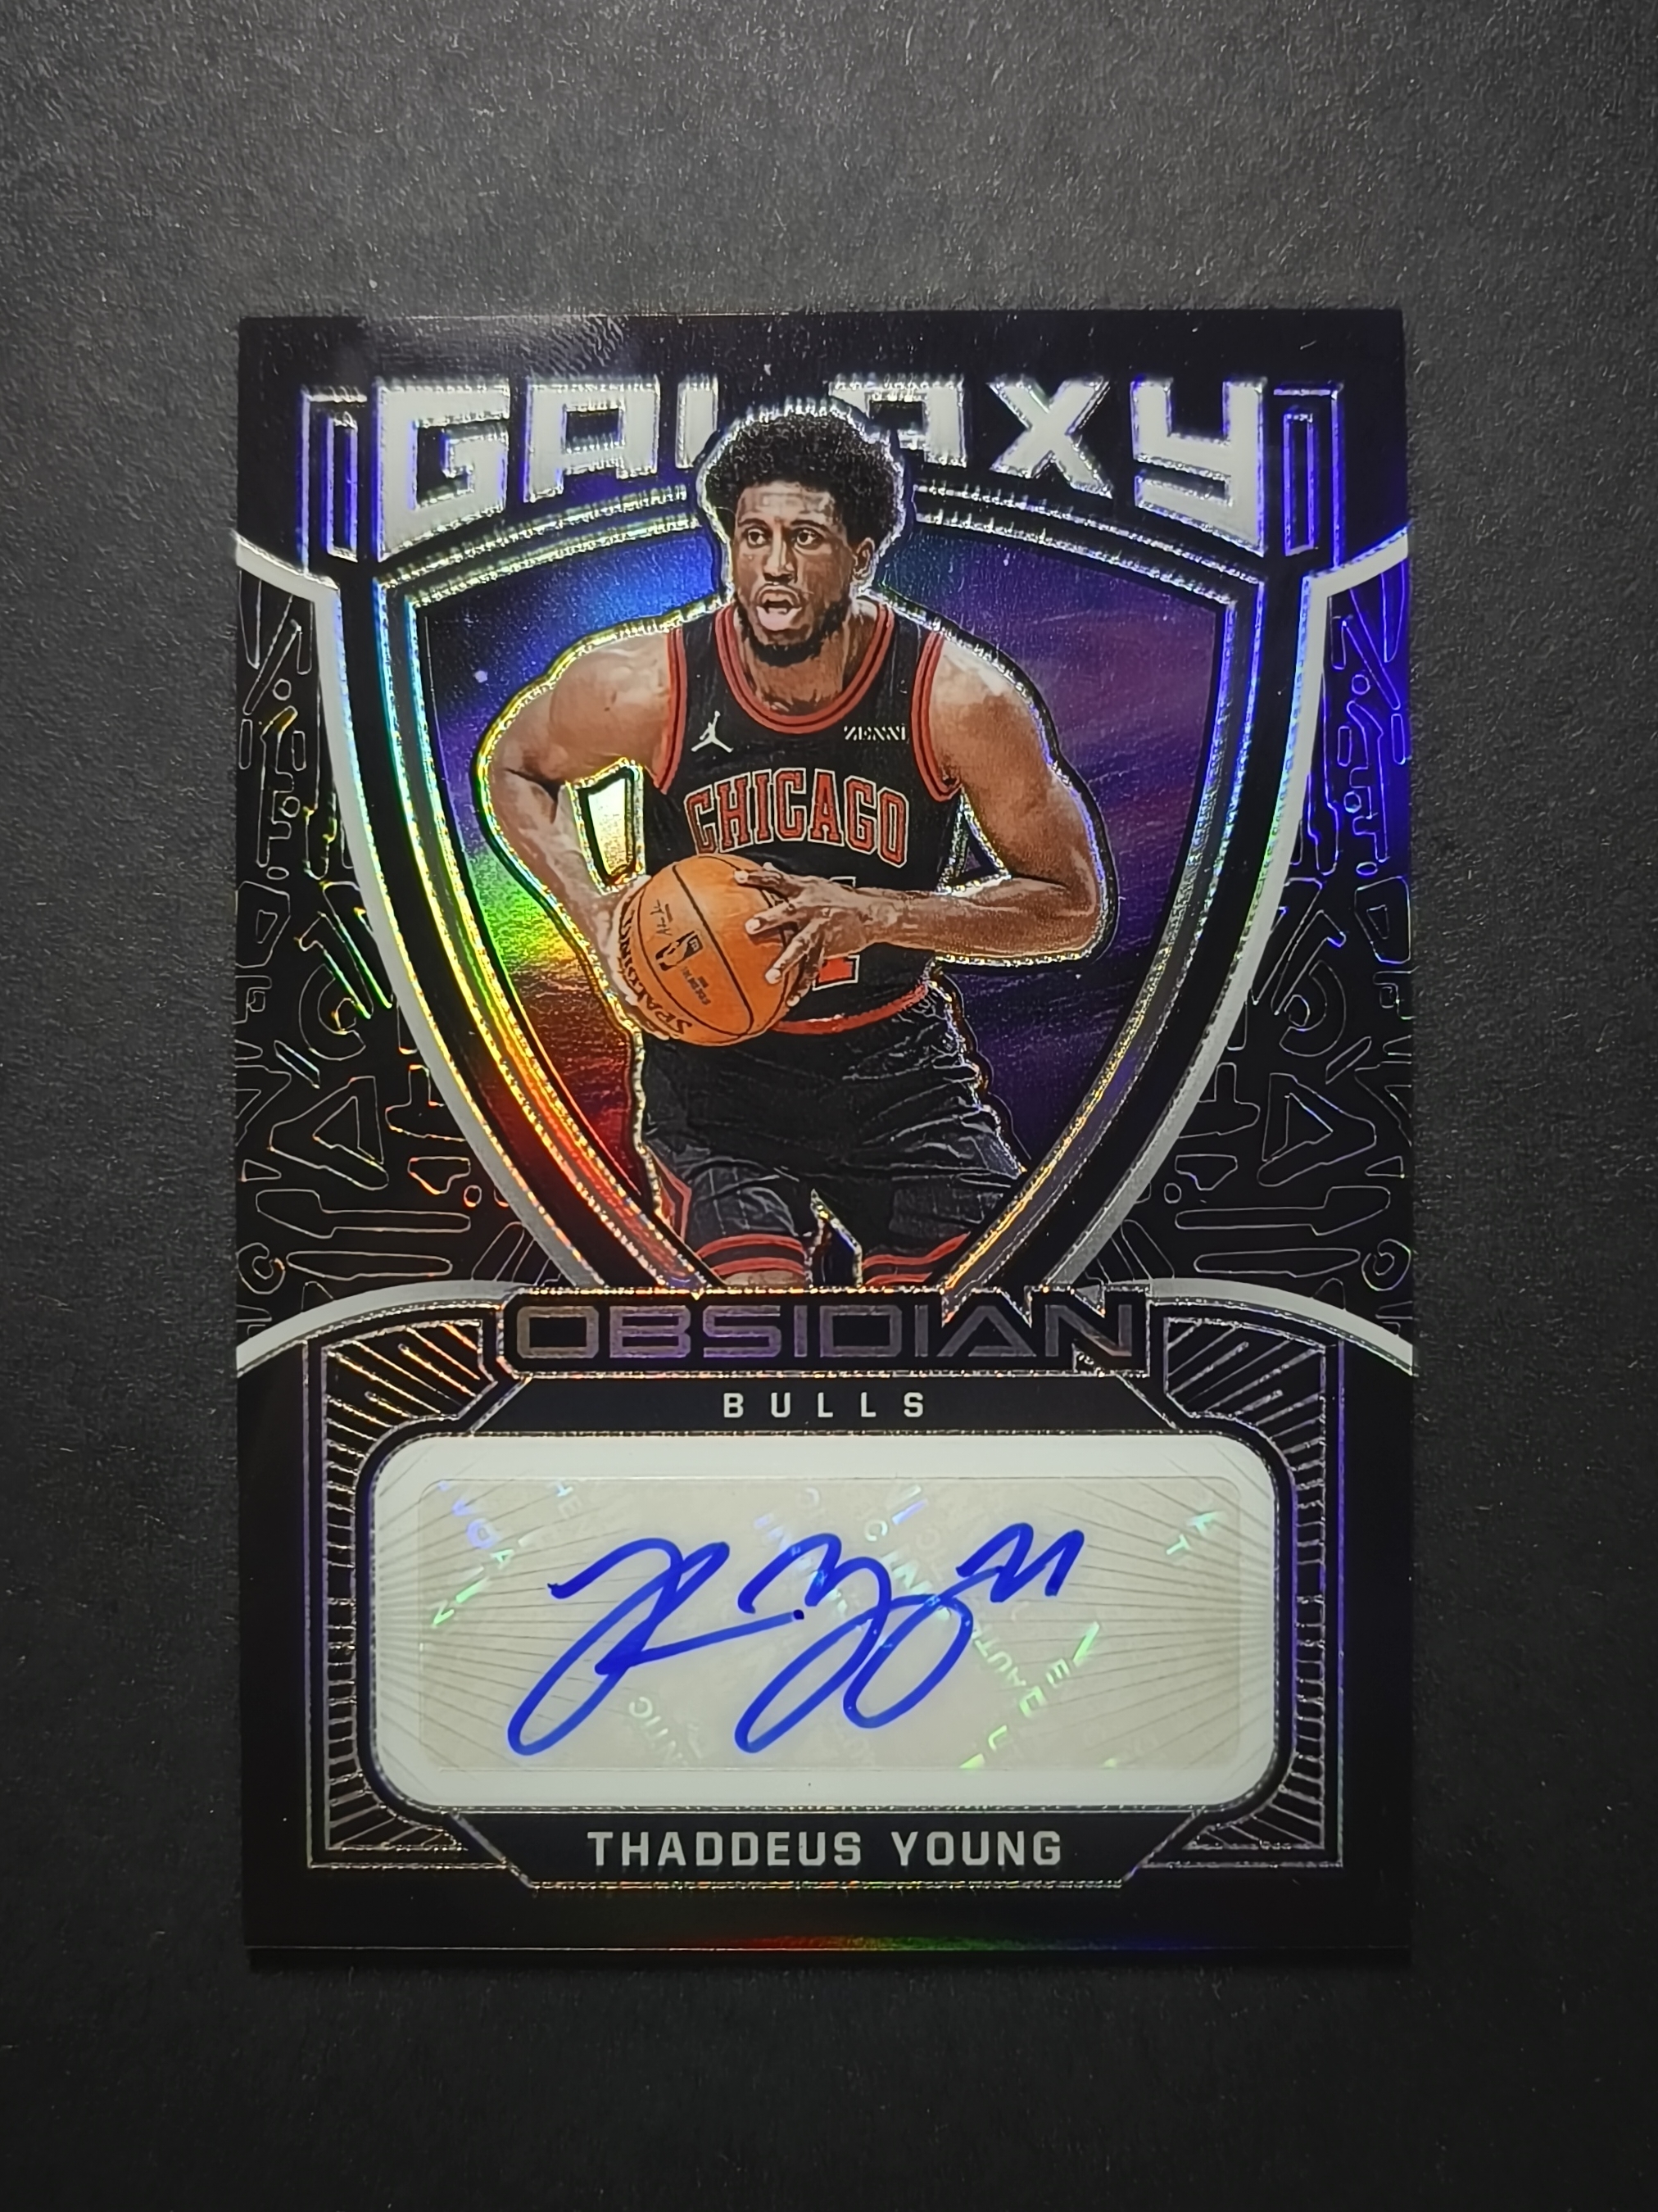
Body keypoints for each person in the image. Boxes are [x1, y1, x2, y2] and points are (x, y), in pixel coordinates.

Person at [479, 404, 1112, 1290]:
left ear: (861, 554)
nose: (773, 566)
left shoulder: (960, 700)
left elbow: (1072, 907)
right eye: (754, 536)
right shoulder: (644, 686)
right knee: (757, 1329)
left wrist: (881, 915)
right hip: (715, 1079)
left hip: (896, 1067)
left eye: (805, 538)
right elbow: (516, 766)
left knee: (975, 1328)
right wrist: (594, 913)